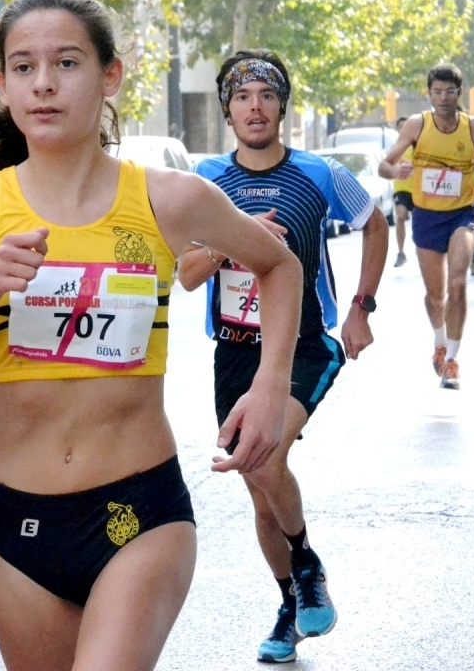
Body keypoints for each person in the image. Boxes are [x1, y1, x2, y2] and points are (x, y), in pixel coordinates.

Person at [0, 0, 302, 671]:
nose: (43, 83)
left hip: (138, 513)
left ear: (110, 77)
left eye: (67, 63)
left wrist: (270, 386)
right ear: (3, 84)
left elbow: (278, 267)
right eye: (22, 67)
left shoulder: (168, 197)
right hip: (16, 529)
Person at [178, 49, 389, 664]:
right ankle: (291, 600)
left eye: (266, 96)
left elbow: (374, 224)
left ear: (281, 105)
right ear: (227, 108)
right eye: (242, 97)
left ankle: (306, 566)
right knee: (256, 479)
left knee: (264, 456)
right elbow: (188, 274)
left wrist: (361, 307)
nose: (255, 107)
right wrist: (234, 239)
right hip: (236, 349)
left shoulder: (320, 173)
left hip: (306, 341)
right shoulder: (208, 181)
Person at [379, 64, 474, 390]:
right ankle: (439, 345)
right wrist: (396, 172)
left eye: (450, 92)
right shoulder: (417, 124)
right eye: (437, 92)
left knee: (457, 283)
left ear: (459, 93)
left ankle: (453, 361)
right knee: (435, 295)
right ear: (429, 94)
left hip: (462, 214)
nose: (443, 98)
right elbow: (386, 164)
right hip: (427, 215)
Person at [391, 115, 414, 267]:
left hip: (419, 189)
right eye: (400, 127)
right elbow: (389, 164)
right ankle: (401, 252)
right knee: (400, 216)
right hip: (401, 188)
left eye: (405, 127)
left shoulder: (419, 145)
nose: (403, 130)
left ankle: (423, 250)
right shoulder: (396, 147)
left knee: (420, 223)